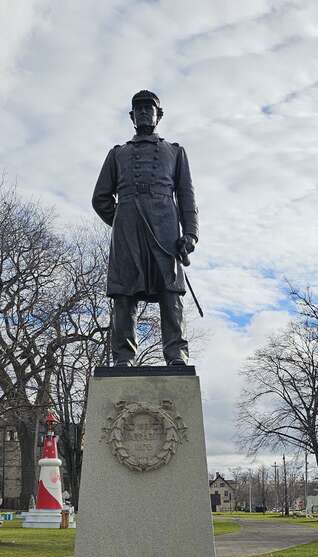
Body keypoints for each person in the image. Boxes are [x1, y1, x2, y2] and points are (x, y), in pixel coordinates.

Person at [92, 90, 199, 366]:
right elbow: (100, 198)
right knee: (124, 293)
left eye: (148, 108)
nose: (142, 112)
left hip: (165, 228)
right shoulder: (117, 155)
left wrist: (190, 234)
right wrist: (120, 218)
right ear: (131, 116)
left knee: (171, 290)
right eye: (137, 109)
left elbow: (187, 197)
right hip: (128, 228)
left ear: (158, 115)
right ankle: (124, 357)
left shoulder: (175, 152)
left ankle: (176, 353)